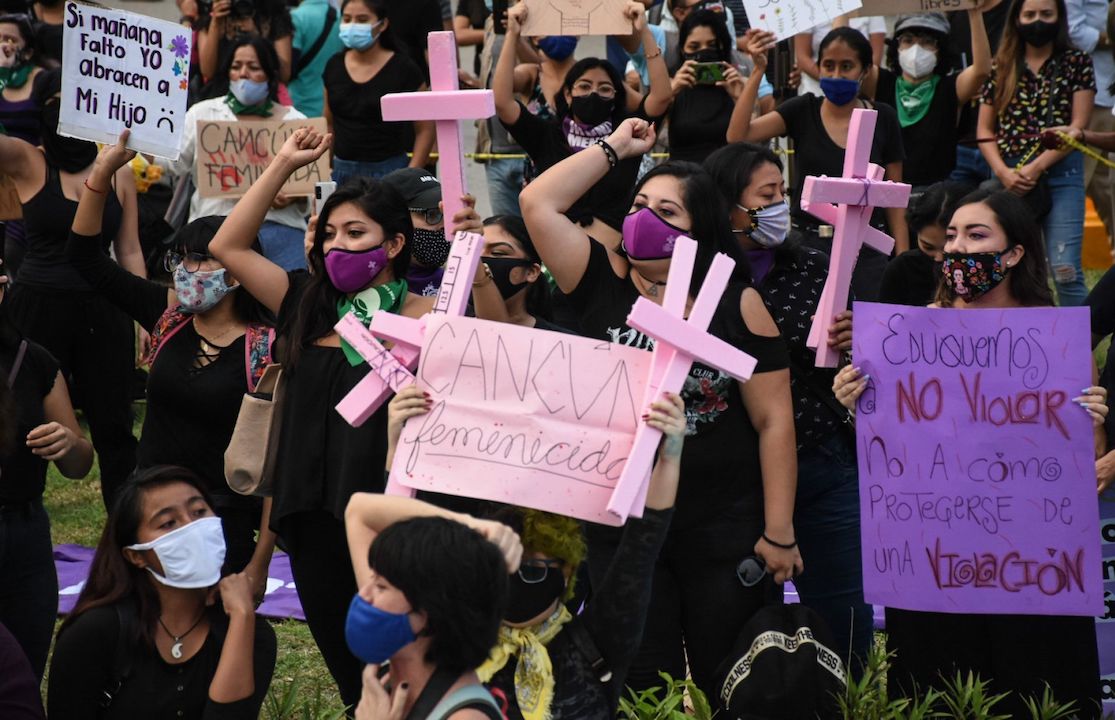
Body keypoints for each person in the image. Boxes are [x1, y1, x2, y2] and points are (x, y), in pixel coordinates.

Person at [520, 116, 802, 700]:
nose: (645, 218)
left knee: (728, 677)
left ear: (700, 231)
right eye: (640, 204)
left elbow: (774, 420)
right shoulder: (598, 283)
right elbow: (537, 202)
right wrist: (617, 148)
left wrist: (778, 530)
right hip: (621, 527)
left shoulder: (737, 304)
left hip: (720, 527)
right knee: (636, 682)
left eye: (667, 212)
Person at [209, 125, 482, 709]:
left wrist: (473, 255)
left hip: (395, 525)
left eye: (356, 233)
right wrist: (283, 163)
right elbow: (228, 247)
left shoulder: (433, 315)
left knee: (413, 674)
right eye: (330, 234)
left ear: (394, 245)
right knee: (354, 680)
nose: (338, 247)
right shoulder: (304, 303)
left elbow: (497, 343)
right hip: (310, 523)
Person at [833, 188, 1105, 719]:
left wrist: (1093, 421)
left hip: (1031, 572)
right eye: (952, 235)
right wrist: (856, 404)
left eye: (977, 236)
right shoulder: (907, 338)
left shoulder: (1057, 343)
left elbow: (1087, 467)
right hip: (936, 568)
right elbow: (889, 447)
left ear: (1015, 254)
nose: (958, 248)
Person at [348, 383, 687, 720]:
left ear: (566, 570)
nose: (513, 576)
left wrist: (669, 457)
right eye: (504, 560)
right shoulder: (451, 636)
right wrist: (402, 445)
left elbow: (642, 548)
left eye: (532, 567)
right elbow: (393, 541)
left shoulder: (597, 640)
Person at [68, 130, 278, 588]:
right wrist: (104, 172)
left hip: (223, 520)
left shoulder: (267, 348)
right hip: (150, 510)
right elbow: (86, 258)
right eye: (180, 259)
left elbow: (279, 462)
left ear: (238, 271)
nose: (186, 271)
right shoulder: (170, 317)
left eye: (201, 260)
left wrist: (261, 561)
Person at [703, 140, 871, 671]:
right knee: (743, 626)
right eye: (766, 194)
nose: (780, 206)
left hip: (822, 462)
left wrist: (854, 338)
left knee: (845, 622)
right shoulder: (693, 281)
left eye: (784, 193)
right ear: (726, 205)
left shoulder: (814, 268)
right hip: (738, 478)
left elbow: (852, 366)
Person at [0, 70, 141, 509]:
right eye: (56, 102)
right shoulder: (28, 159)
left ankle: (124, 527)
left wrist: (144, 315)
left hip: (104, 309)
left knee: (115, 424)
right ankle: (20, 512)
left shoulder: (117, 167)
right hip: (38, 309)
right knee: (28, 415)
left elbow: (130, 248)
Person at [47, 466, 276, 719]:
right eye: (168, 523)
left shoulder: (250, 634)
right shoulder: (95, 633)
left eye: (199, 512)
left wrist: (243, 618)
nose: (191, 528)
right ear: (136, 555)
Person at [729, 27, 907, 303]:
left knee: (866, 335)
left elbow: (894, 199)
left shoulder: (883, 117)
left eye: (846, 66)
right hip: (810, 247)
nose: (836, 74)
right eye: (829, 65)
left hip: (869, 251)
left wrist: (902, 260)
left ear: (865, 70)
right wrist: (757, 71)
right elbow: (738, 135)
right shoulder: (802, 109)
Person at [495, 1, 673, 250]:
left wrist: (643, 30)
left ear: (615, 98)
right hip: (555, 262)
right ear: (568, 94)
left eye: (604, 89)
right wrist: (513, 34)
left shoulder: (629, 137)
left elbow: (662, 96)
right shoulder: (547, 136)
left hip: (614, 263)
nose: (593, 94)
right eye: (584, 86)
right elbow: (502, 103)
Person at [0, 253, 92, 681]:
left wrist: (68, 443)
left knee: (24, 667)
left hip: (24, 533)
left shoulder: (31, 360)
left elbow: (79, 465)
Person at [977, 0, 1094, 306]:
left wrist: (1038, 166)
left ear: (1059, 17)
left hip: (1062, 173)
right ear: (1017, 19)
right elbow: (984, 131)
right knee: (1016, 266)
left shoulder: (1077, 62)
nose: (1037, 21)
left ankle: (1080, 346)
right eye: (1030, 14)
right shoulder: (1000, 65)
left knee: (1064, 267)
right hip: (1008, 175)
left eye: (1046, 14)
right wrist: (1003, 172)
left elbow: (1078, 127)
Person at [174, 34, 309, 272]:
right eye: (236, 67)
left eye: (253, 67)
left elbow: (313, 191)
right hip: (214, 227)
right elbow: (172, 166)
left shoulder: (297, 123)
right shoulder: (202, 114)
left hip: (279, 229)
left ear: (269, 73)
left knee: (289, 299)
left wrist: (296, 196)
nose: (243, 74)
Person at [871, 11, 991, 190]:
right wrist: (840, 7)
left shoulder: (951, 88)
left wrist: (974, 12)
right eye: (908, 40)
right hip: (887, 194)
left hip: (935, 197)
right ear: (897, 46)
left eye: (927, 42)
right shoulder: (881, 83)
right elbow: (847, 51)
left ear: (941, 49)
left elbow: (981, 70)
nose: (916, 48)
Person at [324, 0, 434, 183]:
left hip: (390, 171)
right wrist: (325, 168)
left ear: (382, 24)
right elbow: (328, 122)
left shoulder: (403, 68)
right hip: (341, 172)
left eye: (362, 19)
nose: (352, 26)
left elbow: (425, 128)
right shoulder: (334, 65)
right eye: (347, 18)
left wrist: (411, 174)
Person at [664, 10, 747, 164]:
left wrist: (740, 99)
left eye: (712, 45)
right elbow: (651, 135)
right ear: (682, 49)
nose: (703, 51)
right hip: (684, 178)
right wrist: (671, 92)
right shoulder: (670, 86)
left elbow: (754, 141)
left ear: (723, 45)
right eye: (694, 47)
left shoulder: (740, 85)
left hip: (727, 176)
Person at [879, 180, 971, 307]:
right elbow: (883, 321)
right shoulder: (902, 269)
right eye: (928, 247)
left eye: (947, 249)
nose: (939, 258)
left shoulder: (984, 273)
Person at [471, 214, 562, 331]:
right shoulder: (448, 319)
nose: (480, 259)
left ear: (531, 272)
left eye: (497, 253)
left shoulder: (559, 342)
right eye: (475, 250)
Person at [382, 168, 451, 297]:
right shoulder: (378, 289)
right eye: (432, 214)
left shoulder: (454, 281)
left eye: (445, 213)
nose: (444, 225)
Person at [197, 0, 293, 84]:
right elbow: (207, 71)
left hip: (263, 94)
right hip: (220, 93)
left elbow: (284, 75)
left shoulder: (274, 14)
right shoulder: (211, 13)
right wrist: (215, 23)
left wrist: (256, 37)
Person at [795, 16, 886, 96]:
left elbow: (874, 59)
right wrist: (831, 84)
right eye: (829, 66)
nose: (836, 76)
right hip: (815, 90)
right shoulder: (805, 108)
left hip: (860, 92)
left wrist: (851, 85)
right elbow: (802, 57)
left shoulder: (871, 111)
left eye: (846, 66)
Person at [289, 0, 344, 117]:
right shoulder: (342, 18)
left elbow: (290, 68)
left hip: (301, 107)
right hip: (333, 105)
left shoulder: (296, 17)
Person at [0, 13, 45, 144]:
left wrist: (3, 69)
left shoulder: (42, 80)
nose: (2, 46)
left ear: (27, 53)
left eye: (10, 40)